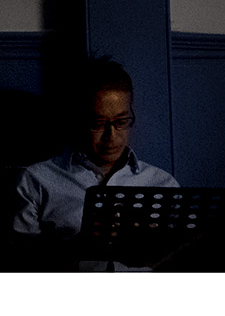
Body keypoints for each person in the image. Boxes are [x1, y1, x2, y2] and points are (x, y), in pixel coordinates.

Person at [11, 57, 177, 269]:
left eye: (121, 122)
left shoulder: (163, 184)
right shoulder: (36, 181)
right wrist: (76, 248)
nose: (111, 136)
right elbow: (21, 262)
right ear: (78, 119)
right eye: (98, 123)